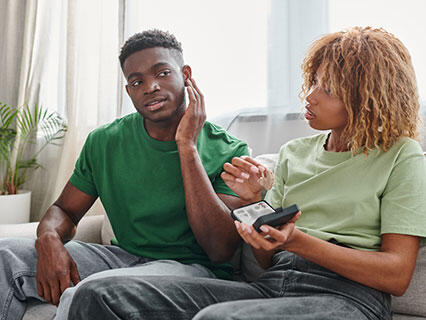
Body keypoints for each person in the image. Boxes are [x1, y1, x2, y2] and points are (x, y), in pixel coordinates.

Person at [68, 26, 426, 320]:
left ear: (366, 96)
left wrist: (296, 240)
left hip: (348, 298)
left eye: (327, 89)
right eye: (313, 81)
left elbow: (396, 274)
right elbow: (266, 258)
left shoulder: (402, 156)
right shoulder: (293, 154)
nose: (310, 96)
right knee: (101, 293)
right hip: (273, 285)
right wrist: (257, 210)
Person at [0, 29, 250, 320]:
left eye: (163, 73)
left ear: (186, 75)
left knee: (92, 290)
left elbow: (220, 250)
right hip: (122, 259)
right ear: (129, 91)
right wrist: (48, 239)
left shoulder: (229, 150)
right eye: (137, 81)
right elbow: (64, 210)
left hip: (191, 271)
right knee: (5, 255)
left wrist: (187, 146)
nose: (150, 87)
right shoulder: (105, 141)